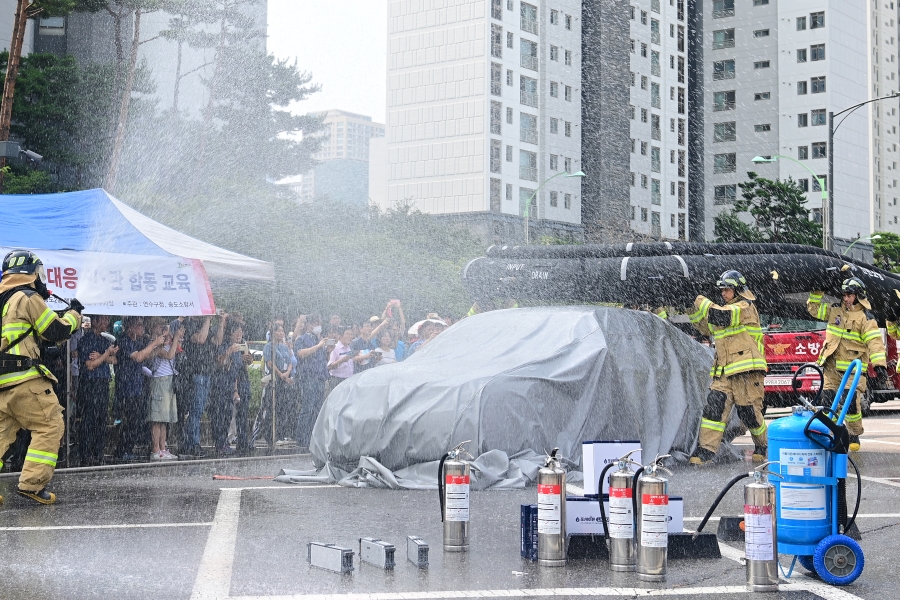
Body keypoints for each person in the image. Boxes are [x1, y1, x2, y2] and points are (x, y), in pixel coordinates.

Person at [0, 250, 82, 504]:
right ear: (32, 273)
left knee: (2, 432)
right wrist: (74, 315)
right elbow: (55, 330)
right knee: (50, 424)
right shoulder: (27, 297)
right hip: (24, 379)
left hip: (2, 383)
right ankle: (32, 485)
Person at [689, 270, 769, 466]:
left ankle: (763, 445)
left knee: (749, 412)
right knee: (714, 408)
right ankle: (706, 450)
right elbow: (706, 327)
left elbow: (719, 315)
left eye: (727, 290)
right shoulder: (727, 309)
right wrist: (689, 306)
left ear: (738, 290)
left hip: (746, 371)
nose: (723, 294)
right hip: (724, 371)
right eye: (722, 290)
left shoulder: (745, 306)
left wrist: (698, 299)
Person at [808, 277, 887, 452]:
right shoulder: (834, 310)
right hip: (831, 367)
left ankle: (854, 433)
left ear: (859, 296)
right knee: (827, 401)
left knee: (850, 403)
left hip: (853, 370)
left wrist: (880, 365)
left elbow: (875, 342)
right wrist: (817, 290)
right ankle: (828, 433)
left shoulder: (866, 318)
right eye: (844, 294)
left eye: (850, 295)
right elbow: (813, 309)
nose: (846, 298)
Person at [114, 316, 164, 461]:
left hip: (137, 385)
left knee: (136, 419)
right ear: (130, 327)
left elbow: (148, 356)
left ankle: (128, 449)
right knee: (129, 420)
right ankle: (122, 451)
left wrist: (158, 346)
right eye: (139, 325)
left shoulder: (138, 341)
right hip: (126, 386)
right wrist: (154, 342)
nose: (142, 327)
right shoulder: (124, 340)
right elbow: (138, 357)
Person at [181, 314, 225, 457]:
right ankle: (192, 443)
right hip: (195, 373)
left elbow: (217, 341)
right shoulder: (188, 324)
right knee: (195, 410)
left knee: (199, 411)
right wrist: (207, 319)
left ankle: (190, 443)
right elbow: (200, 339)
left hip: (207, 372)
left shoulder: (205, 324)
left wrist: (221, 322)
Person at [76, 314, 118, 466]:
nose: (107, 322)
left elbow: (114, 360)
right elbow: (90, 365)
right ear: (96, 321)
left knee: (101, 418)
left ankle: (98, 452)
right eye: (104, 319)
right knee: (89, 419)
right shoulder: (86, 340)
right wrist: (106, 354)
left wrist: (101, 356)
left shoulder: (105, 340)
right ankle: (86, 453)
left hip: (103, 382)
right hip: (90, 383)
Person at [147, 317, 183, 461]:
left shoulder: (166, 341)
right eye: (161, 326)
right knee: (157, 418)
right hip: (159, 381)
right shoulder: (154, 343)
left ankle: (163, 448)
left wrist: (174, 338)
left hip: (169, 381)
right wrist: (174, 339)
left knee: (164, 419)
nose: (164, 329)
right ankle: (155, 449)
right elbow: (169, 355)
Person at [210, 319, 245, 455]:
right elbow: (219, 363)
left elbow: (235, 371)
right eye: (237, 331)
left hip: (229, 386)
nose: (239, 334)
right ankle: (220, 444)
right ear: (230, 333)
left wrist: (235, 390)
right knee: (218, 416)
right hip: (219, 385)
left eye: (241, 332)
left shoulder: (238, 348)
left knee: (227, 416)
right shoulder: (224, 344)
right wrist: (228, 351)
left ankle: (224, 442)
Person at [294, 315, 329, 447]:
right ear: (309, 325)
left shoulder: (319, 339)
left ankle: (313, 436)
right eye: (316, 324)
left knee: (317, 408)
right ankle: (302, 437)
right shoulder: (302, 339)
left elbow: (322, 358)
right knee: (307, 407)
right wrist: (319, 345)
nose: (318, 326)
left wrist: (326, 349)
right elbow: (301, 354)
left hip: (320, 377)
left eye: (319, 323)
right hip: (308, 377)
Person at [263, 324, 295, 446]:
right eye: (278, 331)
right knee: (273, 407)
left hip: (285, 378)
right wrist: (280, 374)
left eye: (282, 331)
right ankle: (271, 435)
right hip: (275, 379)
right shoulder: (269, 346)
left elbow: (290, 361)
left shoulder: (284, 347)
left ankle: (281, 434)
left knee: (283, 407)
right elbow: (270, 362)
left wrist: (286, 374)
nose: (281, 333)